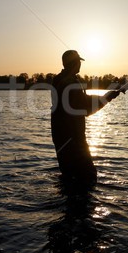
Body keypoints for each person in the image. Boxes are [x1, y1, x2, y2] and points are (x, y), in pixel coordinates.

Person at [51, 50, 120, 187]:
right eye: (79, 62)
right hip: (73, 140)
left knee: (68, 178)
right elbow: (87, 109)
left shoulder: (59, 80)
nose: (80, 65)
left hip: (61, 138)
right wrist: (110, 96)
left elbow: (84, 101)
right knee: (88, 176)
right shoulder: (71, 84)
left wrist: (109, 94)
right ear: (74, 63)